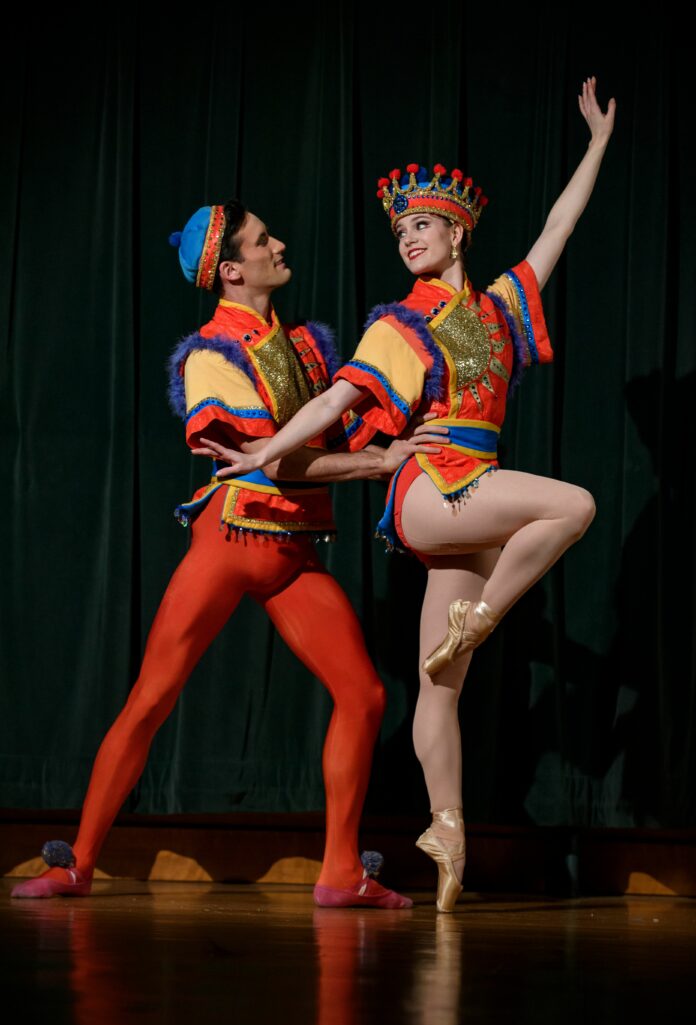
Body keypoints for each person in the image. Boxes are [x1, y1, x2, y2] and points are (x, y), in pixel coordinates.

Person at [195, 78, 616, 912]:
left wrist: (598, 142)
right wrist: (263, 454)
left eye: (421, 226)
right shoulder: (401, 322)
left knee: (441, 684)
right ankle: (484, 616)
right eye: (399, 231)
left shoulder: (497, 308)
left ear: (457, 231)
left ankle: (447, 833)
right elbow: (331, 406)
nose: (408, 240)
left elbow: (557, 227)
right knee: (573, 506)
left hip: (472, 504)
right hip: (435, 489)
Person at [11, 199, 444, 908]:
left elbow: (338, 438)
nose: (280, 245)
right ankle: (79, 862)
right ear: (233, 269)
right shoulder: (211, 356)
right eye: (263, 240)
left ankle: (339, 870)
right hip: (233, 542)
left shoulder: (304, 347)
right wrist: (379, 464)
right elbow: (271, 464)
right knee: (152, 698)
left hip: (292, 557)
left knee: (363, 695)